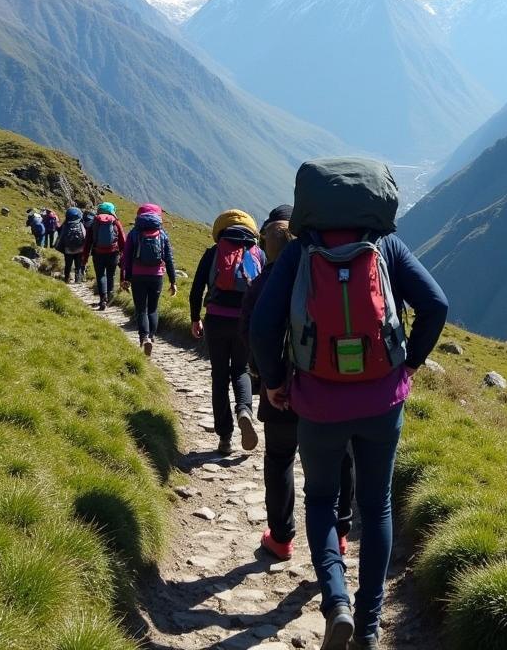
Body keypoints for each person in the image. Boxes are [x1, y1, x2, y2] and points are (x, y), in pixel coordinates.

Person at [251, 159, 448, 650]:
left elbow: (261, 326)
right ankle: (370, 624)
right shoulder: (386, 246)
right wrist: (411, 364)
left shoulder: (299, 253)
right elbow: (436, 305)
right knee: (375, 506)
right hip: (383, 400)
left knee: (319, 499)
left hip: (316, 401)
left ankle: (335, 602)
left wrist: (275, 382)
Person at [240, 204, 355, 562]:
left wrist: (267, 381)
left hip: (280, 394)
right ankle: (338, 533)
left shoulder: (260, 286)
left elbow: (252, 341)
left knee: (279, 458)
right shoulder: (323, 279)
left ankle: (281, 537)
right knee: (339, 458)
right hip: (325, 389)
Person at [191, 209, 265, 457]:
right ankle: (244, 410)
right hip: (246, 322)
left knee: (219, 376)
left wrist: (194, 319)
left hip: (216, 320)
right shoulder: (258, 254)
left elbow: (197, 288)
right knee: (241, 370)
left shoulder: (213, 253)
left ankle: (225, 437)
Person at [122, 203, 177, 356]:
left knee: (141, 309)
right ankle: (151, 337)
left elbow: (126, 257)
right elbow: (169, 258)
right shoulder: (162, 233)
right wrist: (173, 281)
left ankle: (144, 337)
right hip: (157, 276)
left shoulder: (134, 232)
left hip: (138, 276)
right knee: (153, 308)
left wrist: (126, 278)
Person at [82, 201, 126, 310]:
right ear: (112, 210)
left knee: (101, 275)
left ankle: (102, 299)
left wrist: (85, 258)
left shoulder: (94, 222)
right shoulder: (115, 222)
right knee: (111, 275)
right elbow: (123, 240)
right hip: (113, 253)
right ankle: (110, 297)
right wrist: (123, 255)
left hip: (98, 253)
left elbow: (88, 242)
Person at [56, 207, 87, 283]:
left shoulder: (66, 224)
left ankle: (66, 279)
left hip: (68, 249)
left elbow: (59, 233)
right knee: (78, 265)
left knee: (68, 265)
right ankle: (78, 280)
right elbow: (85, 234)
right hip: (80, 249)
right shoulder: (81, 224)